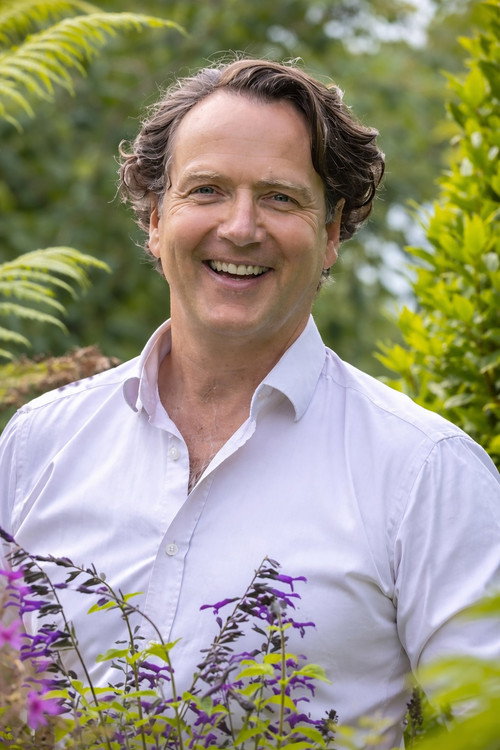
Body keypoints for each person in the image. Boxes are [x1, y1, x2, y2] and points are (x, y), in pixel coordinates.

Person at [0, 58, 499, 747]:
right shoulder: (37, 445)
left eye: (280, 198)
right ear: (155, 219)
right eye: (206, 190)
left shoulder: (425, 472)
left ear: (331, 233)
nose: (240, 227)